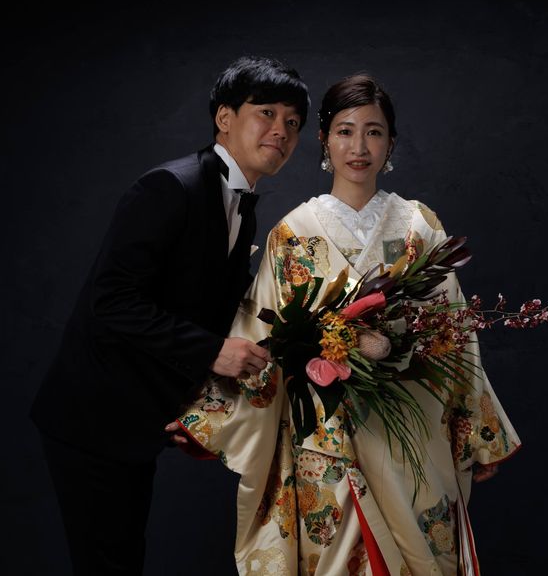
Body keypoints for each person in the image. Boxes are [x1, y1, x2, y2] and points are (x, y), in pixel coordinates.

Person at [170, 74, 520, 575]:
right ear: (324, 140)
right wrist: (207, 415)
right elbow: (258, 335)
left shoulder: (419, 226)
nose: (359, 147)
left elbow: (454, 334)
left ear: (391, 143)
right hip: (327, 434)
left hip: (412, 429)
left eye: (374, 132)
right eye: (345, 131)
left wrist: (478, 432)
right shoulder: (294, 233)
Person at [30, 56, 310, 575]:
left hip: (137, 419)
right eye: (267, 113)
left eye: (293, 122)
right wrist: (214, 352)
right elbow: (113, 301)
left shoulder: (240, 205)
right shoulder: (170, 187)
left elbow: (193, 311)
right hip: (92, 419)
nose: (281, 130)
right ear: (224, 117)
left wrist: (194, 407)